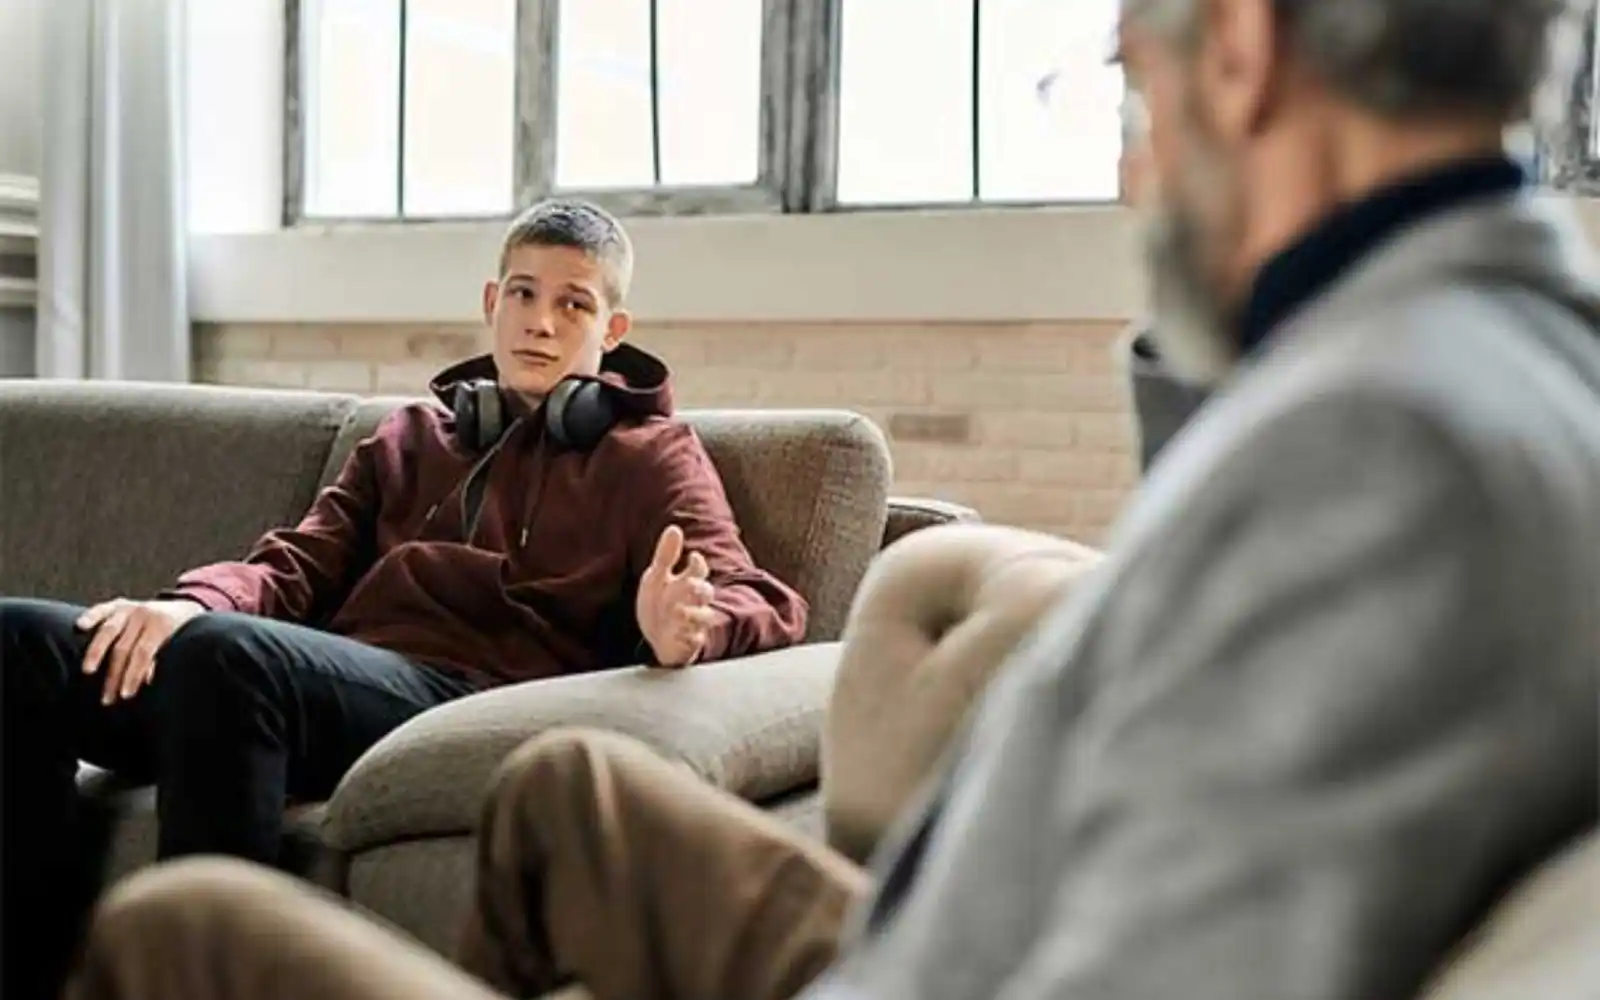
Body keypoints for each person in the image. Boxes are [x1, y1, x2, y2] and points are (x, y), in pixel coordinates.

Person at [49, 0, 1600, 998]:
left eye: (1130, 89)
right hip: (935, 928)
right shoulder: (1460, 369)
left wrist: (687, 624)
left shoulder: (1381, 457)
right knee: (569, 793)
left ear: (1244, 55)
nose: (1135, 175)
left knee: (181, 933)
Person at [0, 200, 808, 1000]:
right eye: (523, 294)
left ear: (613, 330)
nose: (541, 322)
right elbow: (297, 563)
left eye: (574, 304)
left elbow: (759, 595)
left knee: (226, 655)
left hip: (466, 696)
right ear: (492, 303)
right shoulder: (408, 438)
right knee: (22, 640)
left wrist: (689, 629)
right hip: (323, 687)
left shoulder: (651, 456)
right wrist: (190, 603)